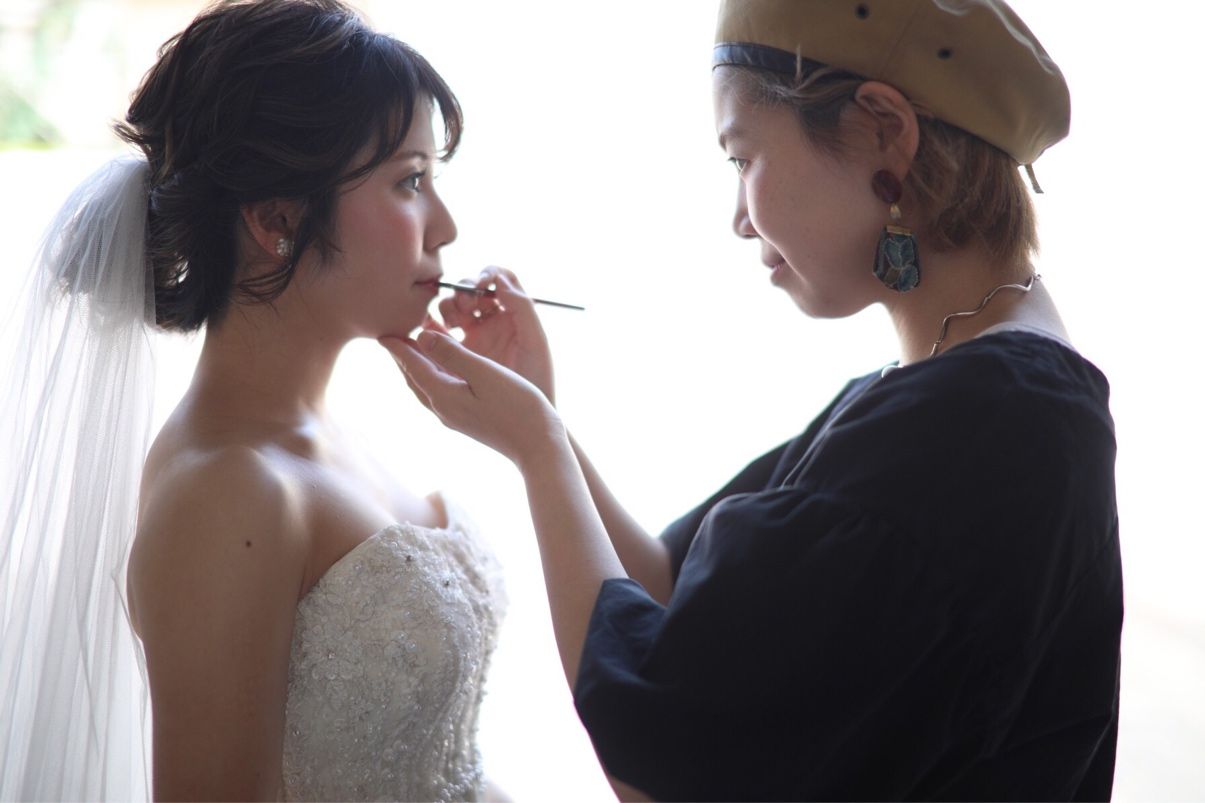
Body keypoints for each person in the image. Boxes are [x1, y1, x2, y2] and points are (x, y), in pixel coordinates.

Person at [385, 0, 1123, 799]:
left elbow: (668, 767)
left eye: (742, 158)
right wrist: (545, 422)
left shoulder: (978, 427)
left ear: (884, 130)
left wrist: (535, 445)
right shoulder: (959, 392)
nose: (739, 220)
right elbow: (668, 591)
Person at [0, 1, 506, 799]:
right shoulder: (226, 492)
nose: (444, 226)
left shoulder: (325, 432)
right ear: (277, 220)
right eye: (409, 180)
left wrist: (537, 430)